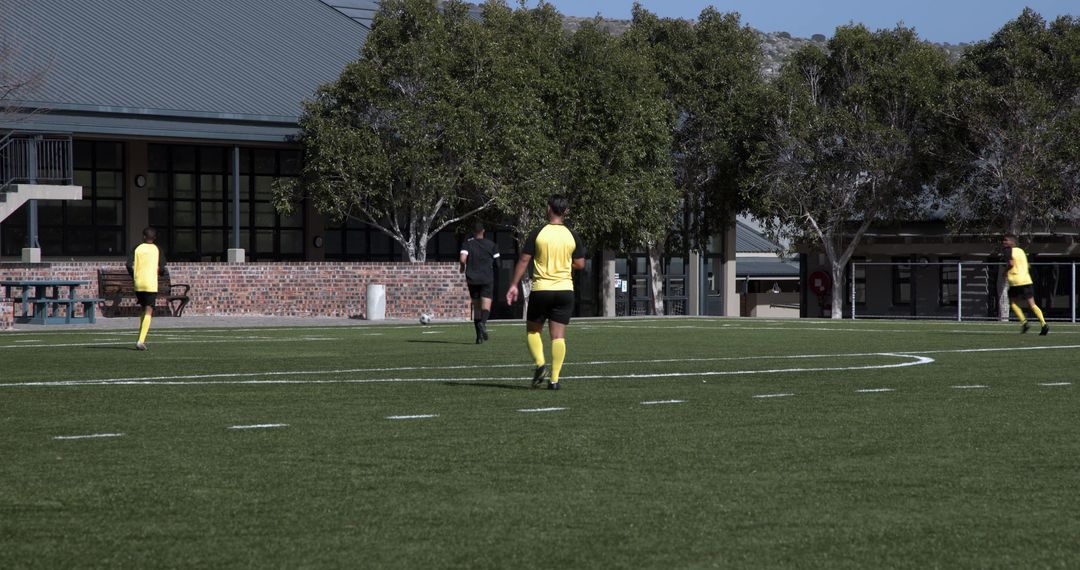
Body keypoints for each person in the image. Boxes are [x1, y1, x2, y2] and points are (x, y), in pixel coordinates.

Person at [505, 195, 585, 390]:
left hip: (541, 290)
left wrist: (514, 284)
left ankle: (541, 365)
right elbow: (580, 264)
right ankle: (555, 380)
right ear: (565, 211)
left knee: (533, 331)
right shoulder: (572, 235)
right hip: (565, 290)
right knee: (558, 337)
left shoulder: (538, 233)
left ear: (549, 209)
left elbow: (524, 260)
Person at [126, 227, 167, 350]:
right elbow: (162, 268)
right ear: (154, 238)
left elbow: (128, 264)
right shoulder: (157, 249)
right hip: (150, 284)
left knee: (143, 308)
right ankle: (141, 340)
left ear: (143, 236)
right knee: (149, 310)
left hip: (139, 283)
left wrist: (134, 275)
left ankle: (140, 337)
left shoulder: (137, 248)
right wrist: (159, 273)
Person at [459, 222, 500, 344]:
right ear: (483, 231)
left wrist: (462, 268)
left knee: (476, 307)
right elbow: (498, 264)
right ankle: (483, 323)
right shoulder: (492, 245)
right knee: (486, 305)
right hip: (486, 278)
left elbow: (462, 259)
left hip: (472, 279)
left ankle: (478, 338)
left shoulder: (467, 244)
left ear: (473, 232)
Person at [1002, 234, 1048, 335]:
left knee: (1013, 303)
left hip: (1015, 281)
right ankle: (1043, 324)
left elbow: (1011, 263)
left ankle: (1024, 323)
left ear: (1012, 242)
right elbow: (1028, 265)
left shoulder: (1007, 251)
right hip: (1026, 280)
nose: (1004, 242)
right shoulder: (1021, 251)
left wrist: (1005, 271)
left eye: (1006, 240)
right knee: (1032, 304)